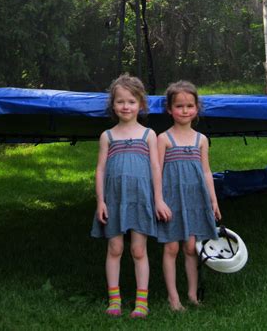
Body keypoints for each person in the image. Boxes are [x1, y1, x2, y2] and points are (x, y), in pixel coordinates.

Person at [91, 73, 171, 318]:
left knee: (138, 250)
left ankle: (141, 302)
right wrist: (100, 201)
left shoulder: (148, 135)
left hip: (140, 199)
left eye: (131, 101)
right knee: (114, 248)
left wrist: (158, 199)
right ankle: (114, 300)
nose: (126, 106)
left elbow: (156, 168)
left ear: (141, 104)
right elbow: (101, 169)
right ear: (113, 105)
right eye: (120, 101)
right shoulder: (108, 136)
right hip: (114, 200)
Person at [157, 80, 221, 311]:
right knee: (171, 248)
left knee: (191, 248)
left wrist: (213, 200)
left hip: (195, 199)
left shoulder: (201, 139)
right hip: (171, 200)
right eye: (179, 106)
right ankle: (173, 298)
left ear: (196, 108)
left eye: (189, 106)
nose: (184, 111)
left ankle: (192, 295)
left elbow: (206, 171)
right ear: (169, 109)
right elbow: (157, 171)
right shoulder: (163, 139)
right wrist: (158, 199)